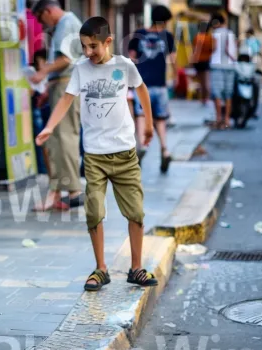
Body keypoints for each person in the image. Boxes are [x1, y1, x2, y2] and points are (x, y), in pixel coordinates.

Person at [36, 17, 158, 292]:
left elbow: (142, 91)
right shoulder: (80, 69)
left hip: (125, 153)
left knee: (136, 212)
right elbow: (66, 100)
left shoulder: (124, 66)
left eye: (93, 46)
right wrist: (49, 128)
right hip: (94, 156)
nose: (88, 52)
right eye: (83, 47)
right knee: (94, 213)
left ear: (108, 42)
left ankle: (136, 267)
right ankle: (100, 268)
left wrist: (148, 125)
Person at [30, 0, 84, 211]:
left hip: (66, 85)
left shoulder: (66, 23)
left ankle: (72, 190)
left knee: (63, 136)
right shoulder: (65, 24)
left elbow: (66, 60)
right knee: (55, 138)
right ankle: (62, 190)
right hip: (60, 85)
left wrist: (43, 72)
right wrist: (48, 86)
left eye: (42, 18)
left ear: (49, 11)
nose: (44, 24)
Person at [128, 5, 175, 174]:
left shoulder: (139, 34)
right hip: (160, 85)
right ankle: (165, 149)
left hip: (141, 85)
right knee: (160, 120)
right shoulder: (167, 36)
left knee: (141, 116)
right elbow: (173, 60)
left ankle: (143, 146)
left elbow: (131, 58)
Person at [209, 13, 237, 130]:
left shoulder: (215, 34)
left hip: (217, 65)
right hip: (230, 66)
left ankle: (218, 119)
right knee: (228, 94)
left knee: (217, 94)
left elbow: (214, 48)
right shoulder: (231, 33)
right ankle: (227, 120)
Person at [192, 21, 215, 106]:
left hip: (198, 61)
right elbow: (213, 49)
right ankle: (207, 98)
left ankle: (202, 98)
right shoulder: (209, 38)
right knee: (206, 81)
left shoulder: (197, 37)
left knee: (201, 82)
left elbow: (194, 50)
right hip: (206, 60)